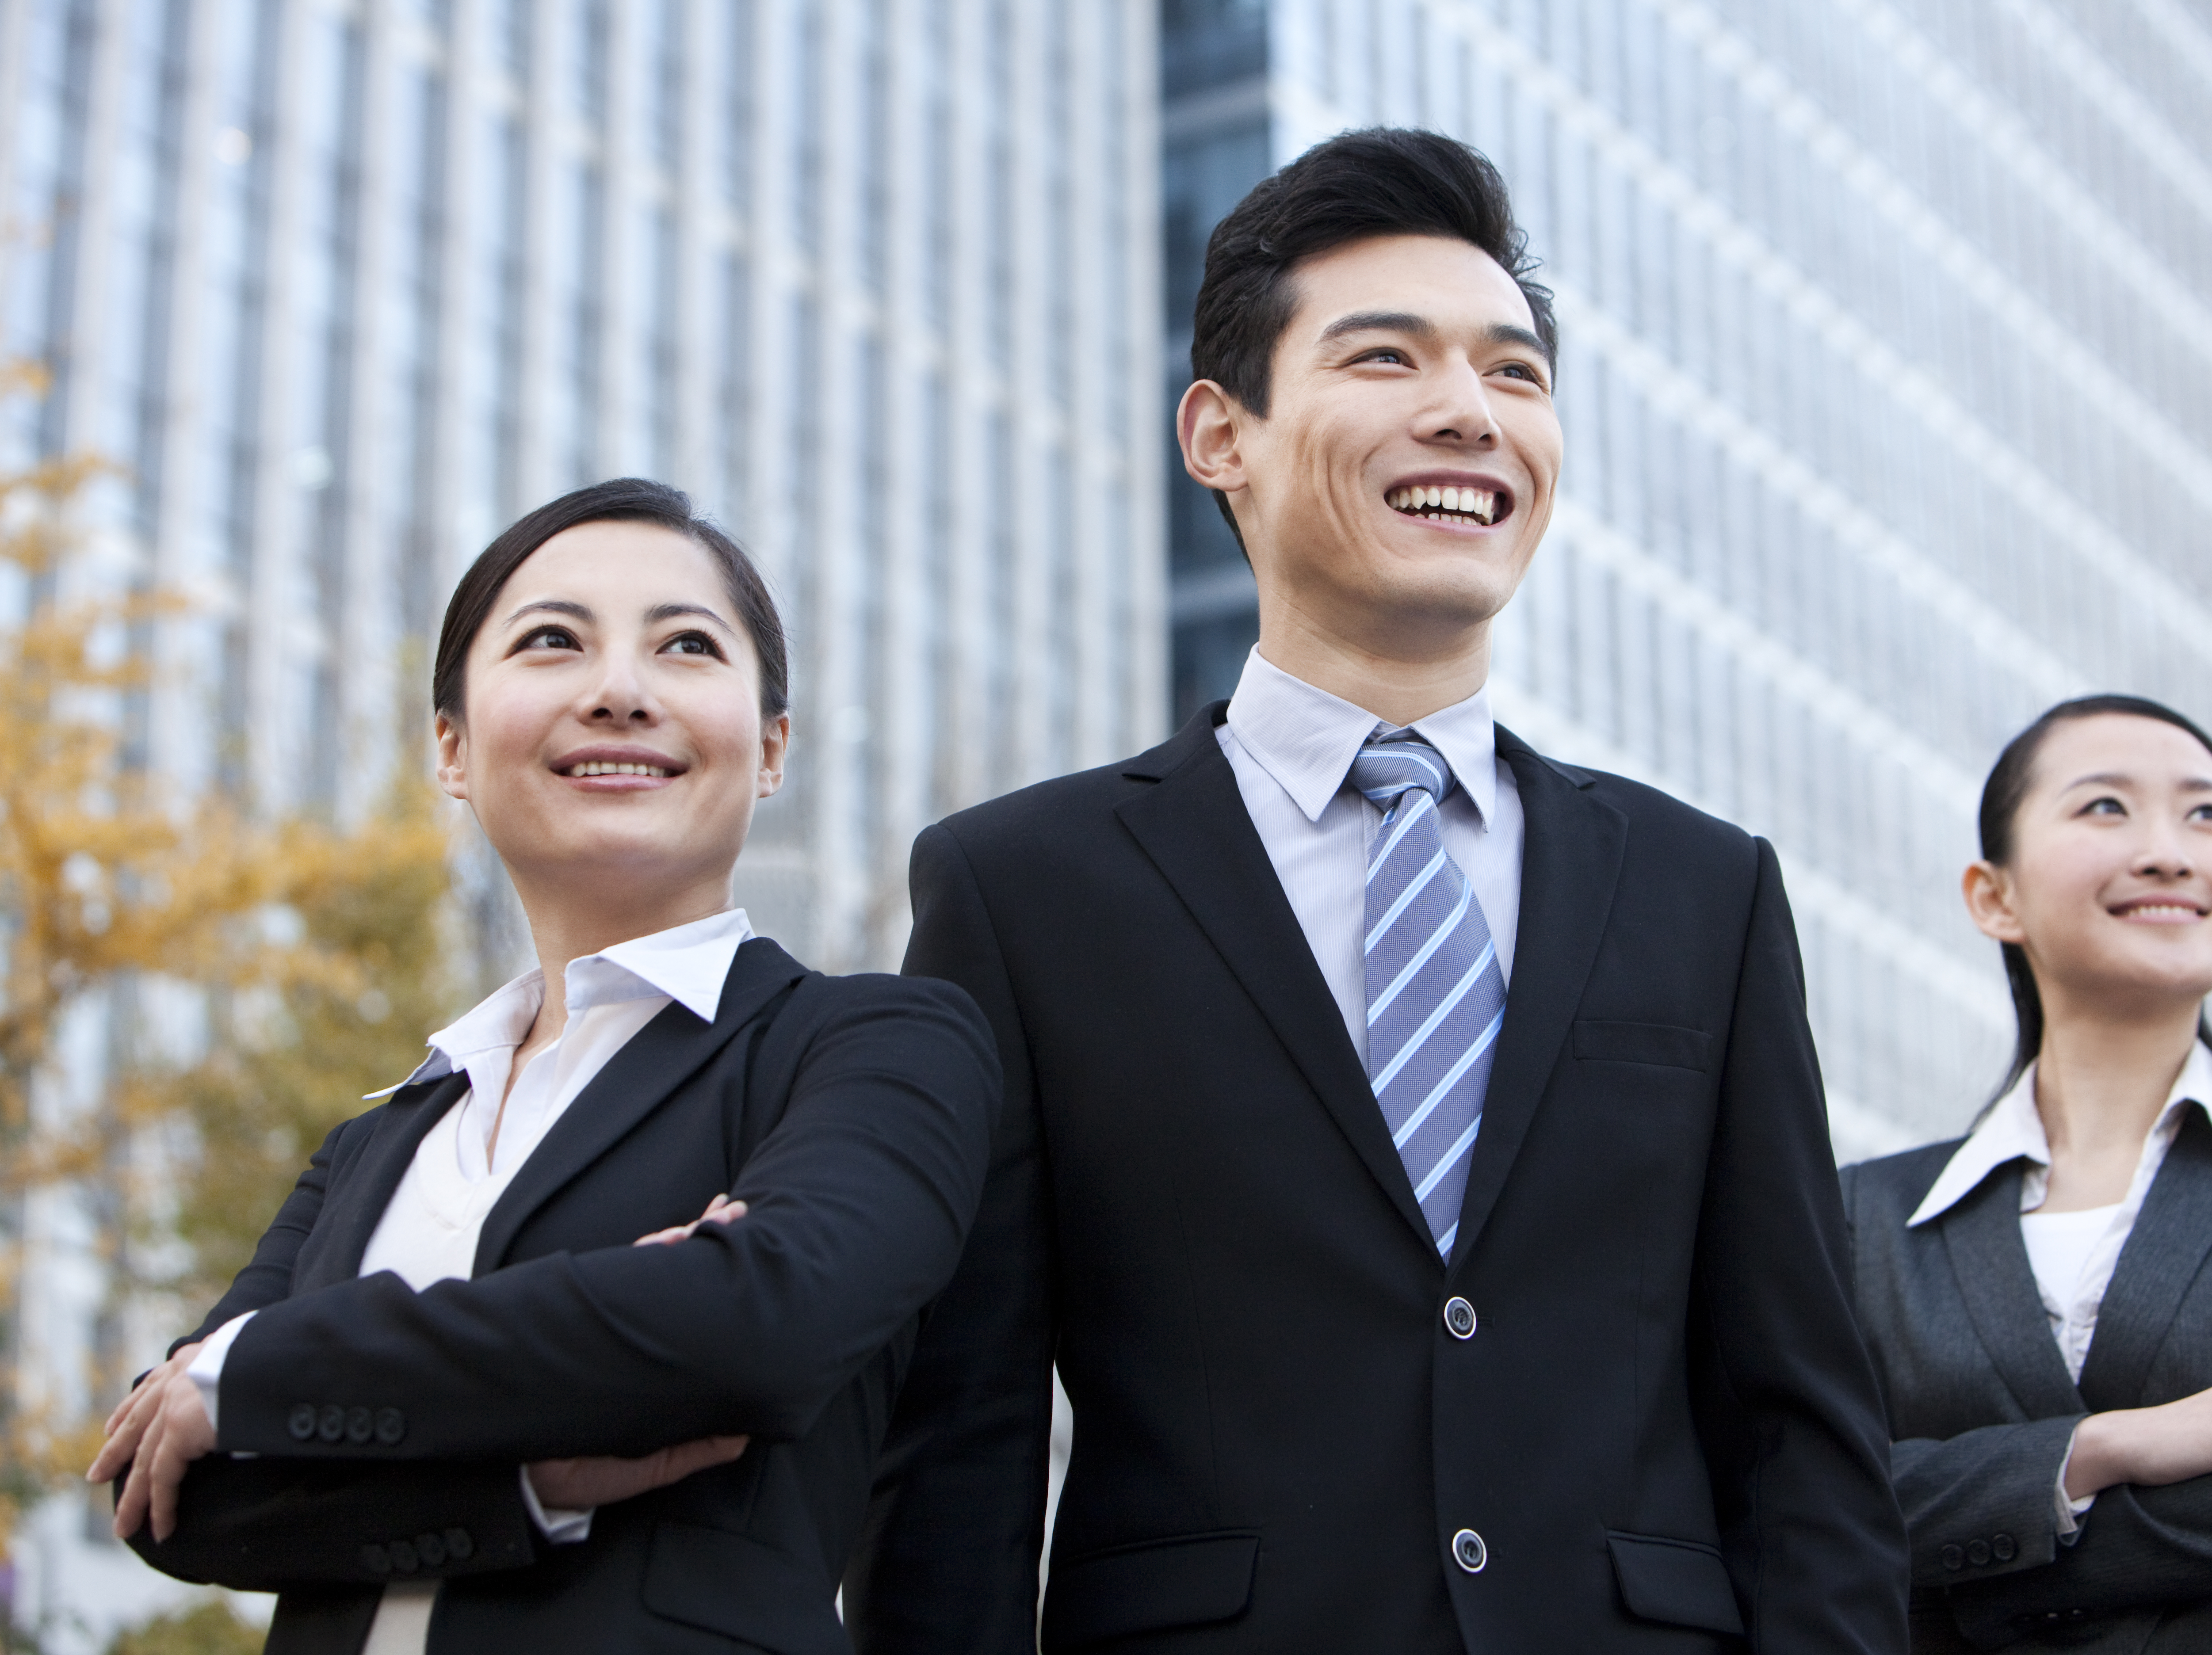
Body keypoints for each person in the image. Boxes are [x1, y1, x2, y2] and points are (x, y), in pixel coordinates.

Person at [847, 129, 1907, 1654]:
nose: (1466, 414)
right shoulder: (1022, 892)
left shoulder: (1704, 890)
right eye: (1385, 359)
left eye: (1514, 374)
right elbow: (957, 1451)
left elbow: (1804, 1426)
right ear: (1219, 435)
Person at [88, 479, 999, 1655]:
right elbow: (171, 1495)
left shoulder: (873, 1044)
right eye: (552, 642)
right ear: (454, 749)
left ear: (771, 749)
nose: (619, 691)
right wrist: (530, 1484)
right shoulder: (388, 1133)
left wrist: (248, 1368)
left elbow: (757, 1325)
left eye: (685, 646)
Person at [1840, 695, 2212, 1652]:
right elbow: (1808, 1504)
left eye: (2208, 815)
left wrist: (1970, 1555)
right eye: (2106, 807)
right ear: (1996, 896)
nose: (2169, 851)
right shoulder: (1864, 1213)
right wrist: (2107, 1446)